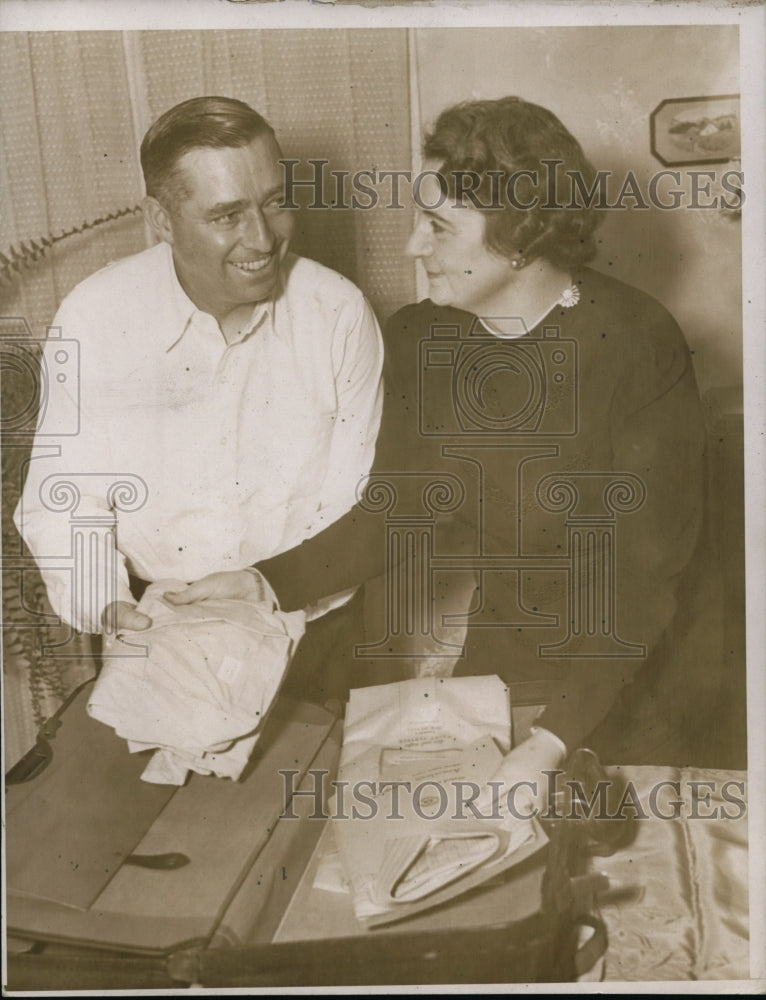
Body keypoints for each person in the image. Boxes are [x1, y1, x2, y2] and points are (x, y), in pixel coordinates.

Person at [168, 97, 730, 792]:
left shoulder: (638, 343)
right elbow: (394, 510)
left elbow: (643, 586)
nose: (413, 247)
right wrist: (263, 582)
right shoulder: (419, 338)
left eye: (437, 225)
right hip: (507, 661)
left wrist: (548, 744)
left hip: (640, 679)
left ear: (518, 235)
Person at [15, 96, 383, 646]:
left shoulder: (338, 311)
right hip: (155, 626)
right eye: (226, 215)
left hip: (309, 621)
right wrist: (112, 608)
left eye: (275, 203)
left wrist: (269, 589)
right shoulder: (96, 315)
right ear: (161, 220)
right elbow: (66, 497)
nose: (262, 239)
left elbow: (359, 500)